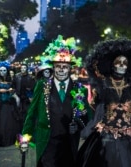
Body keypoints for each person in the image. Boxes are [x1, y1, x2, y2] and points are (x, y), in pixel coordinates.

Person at [77, 38, 131, 167]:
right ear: (112, 65)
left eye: (125, 63)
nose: (122, 65)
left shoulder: (130, 83)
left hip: (130, 134)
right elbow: (91, 68)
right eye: (119, 62)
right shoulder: (104, 83)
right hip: (106, 136)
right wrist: (99, 53)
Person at [21, 35, 92, 167]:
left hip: (69, 142)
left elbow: (88, 116)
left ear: (70, 68)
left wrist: (79, 124)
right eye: (58, 66)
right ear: (53, 67)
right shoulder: (42, 85)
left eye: (64, 66)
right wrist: (25, 135)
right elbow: (32, 112)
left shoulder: (80, 89)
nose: (61, 69)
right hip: (47, 140)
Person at [0, 61, 20, 147]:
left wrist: (12, 92)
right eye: (1, 70)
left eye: (4, 70)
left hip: (8, 103)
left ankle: (9, 140)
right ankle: (0, 141)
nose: (3, 72)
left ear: (7, 71)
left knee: (9, 122)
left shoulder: (11, 80)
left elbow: (14, 90)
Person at [14, 63, 36, 130]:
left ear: (26, 69)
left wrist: (30, 91)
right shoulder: (17, 76)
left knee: (27, 114)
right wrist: (15, 96)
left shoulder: (30, 77)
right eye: (22, 68)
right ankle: (19, 127)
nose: (23, 69)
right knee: (18, 113)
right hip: (19, 97)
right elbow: (13, 86)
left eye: (24, 68)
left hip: (27, 98)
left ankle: (27, 127)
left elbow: (34, 87)